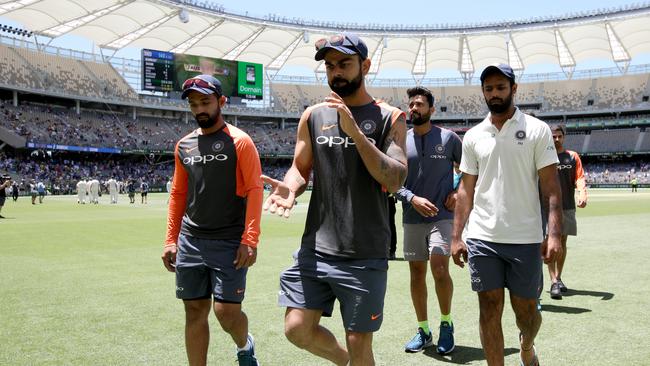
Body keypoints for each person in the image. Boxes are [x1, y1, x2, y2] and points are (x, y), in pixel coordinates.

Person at [262, 33, 407, 366]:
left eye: (344, 64)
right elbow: (300, 169)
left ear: (365, 66)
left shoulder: (391, 118)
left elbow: (396, 178)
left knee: (359, 341)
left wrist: (355, 133)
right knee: (296, 328)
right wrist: (290, 186)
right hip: (316, 246)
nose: (336, 72)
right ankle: (343, 361)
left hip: (364, 250)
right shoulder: (312, 116)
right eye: (329, 66)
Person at [451, 64, 563, 366]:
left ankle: (526, 345)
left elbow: (551, 188)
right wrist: (457, 236)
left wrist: (553, 234)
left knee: (527, 313)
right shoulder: (473, 136)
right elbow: (465, 190)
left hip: (524, 238)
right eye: (489, 88)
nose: (494, 94)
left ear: (514, 89)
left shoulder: (537, 130)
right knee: (488, 308)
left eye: (501, 87)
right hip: (482, 237)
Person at [161, 74, 263, 366]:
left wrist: (250, 240)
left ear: (221, 102)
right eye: (193, 104)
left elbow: (256, 191)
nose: (199, 109)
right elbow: (179, 194)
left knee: (226, 313)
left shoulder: (240, 142)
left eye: (205, 102)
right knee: (194, 310)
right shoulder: (183, 146)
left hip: (230, 240)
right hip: (191, 240)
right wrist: (171, 240)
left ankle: (244, 345)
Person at [395, 86, 462, 355]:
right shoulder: (399, 141)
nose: (414, 108)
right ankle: (423, 330)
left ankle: (446, 323)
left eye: (420, 104)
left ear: (431, 110)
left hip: (442, 217)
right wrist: (411, 198)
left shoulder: (449, 138)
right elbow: (392, 182)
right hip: (412, 217)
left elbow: (471, 170)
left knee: (439, 267)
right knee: (416, 273)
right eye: (411, 104)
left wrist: (458, 192)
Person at [545, 124, 587, 300]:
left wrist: (582, 193)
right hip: (547, 208)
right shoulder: (543, 156)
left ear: (564, 137)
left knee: (562, 243)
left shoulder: (572, 156)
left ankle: (559, 277)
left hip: (568, 206)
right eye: (553, 136)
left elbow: (579, 177)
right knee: (550, 243)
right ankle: (553, 281)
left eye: (559, 136)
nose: (556, 139)